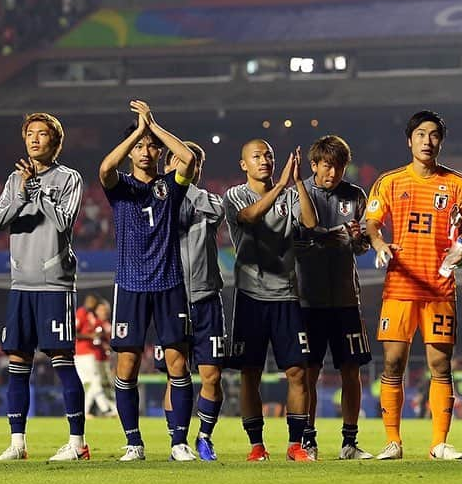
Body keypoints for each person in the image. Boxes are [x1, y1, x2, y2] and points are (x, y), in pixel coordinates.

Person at [366, 110, 462, 460]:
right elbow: (372, 223)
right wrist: (380, 244)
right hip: (400, 286)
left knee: (441, 366)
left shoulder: (459, 184)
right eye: (421, 134)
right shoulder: (390, 181)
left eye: (434, 135)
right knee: (393, 364)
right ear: (409, 140)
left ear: (441, 140)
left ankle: (439, 443)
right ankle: (393, 442)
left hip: (439, 288)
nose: (427, 141)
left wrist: (461, 248)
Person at [99, 100, 196, 462]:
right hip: (131, 285)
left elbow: (187, 158)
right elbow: (105, 167)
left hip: (169, 283)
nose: (145, 151)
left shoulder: (171, 186)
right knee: (127, 366)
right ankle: (133, 443)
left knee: (177, 365)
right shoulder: (119, 187)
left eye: (150, 146)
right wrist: (139, 131)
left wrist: (153, 127)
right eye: (138, 146)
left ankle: (179, 442)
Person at [0, 112, 89, 461]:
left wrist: (38, 191)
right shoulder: (13, 179)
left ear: (55, 141)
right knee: (17, 360)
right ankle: (17, 443)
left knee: (62, 358)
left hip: (54, 284)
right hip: (21, 283)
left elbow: (63, 221)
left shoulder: (69, 178)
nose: (34, 139)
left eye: (42, 134)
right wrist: (21, 191)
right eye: (30, 134)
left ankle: (77, 443)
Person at [224, 139, 318, 462]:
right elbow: (248, 217)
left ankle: (295, 445)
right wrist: (278, 186)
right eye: (257, 156)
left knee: (297, 372)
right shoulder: (235, 195)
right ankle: (256, 446)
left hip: (286, 297)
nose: (264, 160)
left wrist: (296, 184)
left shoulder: (290, 194)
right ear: (243, 164)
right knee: (250, 373)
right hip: (250, 296)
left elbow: (310, 222)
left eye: (269, 156)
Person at [295, 135, 373, 460]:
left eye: (339, 167)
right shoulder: (298, 195)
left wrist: (358, 239)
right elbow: (298, 240)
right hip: (308, 300)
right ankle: (308, 440)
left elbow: (364, 243)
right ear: (314, 165)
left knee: (351, 371)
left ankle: (349, 442)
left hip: (345, 299)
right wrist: (328, 238)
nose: (333, 173)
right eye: (327, 166)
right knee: (309, 373)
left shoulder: (355, 195)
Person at [157, 141, 227, 461]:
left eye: (194, 162)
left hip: (206, 297)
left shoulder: (206, 199)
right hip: (171, 297)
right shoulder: (157, 199)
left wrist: (185, 184)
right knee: (177, 372)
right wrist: (170, 187)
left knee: (212, 375)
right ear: (166, 165)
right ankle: (178, 441)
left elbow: (218, 212)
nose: (188, 164)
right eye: (180, 160)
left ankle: (205, 437)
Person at [75, 295, 115, 417]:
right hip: (84, 353)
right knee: (94, 382)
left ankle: (108, 409)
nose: (90, 303)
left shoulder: (95, 319)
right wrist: (91, 336)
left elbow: (101, 338)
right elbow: (74, 332)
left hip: (96, 355)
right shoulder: (82, 313)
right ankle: (103, 409)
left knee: (98, 383)